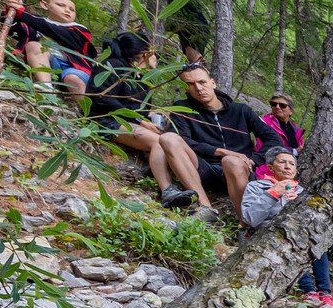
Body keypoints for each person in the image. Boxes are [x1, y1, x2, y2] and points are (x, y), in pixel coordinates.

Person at [86, 32, 212, 213]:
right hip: (105, 120)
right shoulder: (113, 66)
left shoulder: (142, 78)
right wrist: (140, 121)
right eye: (154, 53)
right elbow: (103, 99)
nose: (156, 58)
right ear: (146, 54)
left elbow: (136, 106)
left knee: (166, 139)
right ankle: (167, 190)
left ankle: (188, 191)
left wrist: (154, 114)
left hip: (127, 121)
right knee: (158, 141)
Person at [171, 63, 271, 221]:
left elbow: (273, 138)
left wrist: (254, 160)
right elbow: (183, 140)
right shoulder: (182, 109)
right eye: (191, 84)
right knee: (168, 138)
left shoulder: (240, 110)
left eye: (202, 82)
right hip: (205, 168)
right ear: (186, 89)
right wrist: (220, 151)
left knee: (231, 161)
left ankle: (246, 225)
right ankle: (205, 207)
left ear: (212, 82)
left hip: (239, 170)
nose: (198, 88)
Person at [240, 147, 331, 305]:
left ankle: (325, 292)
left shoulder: (305, 193)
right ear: (270, 167)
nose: (287, 166)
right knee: (291, 239)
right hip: (268, 235)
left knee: (318, 240)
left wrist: (300, 205)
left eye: (291, 164)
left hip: (302, 234)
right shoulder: (256, 187)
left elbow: (319, 222)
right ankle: (307, 290)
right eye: (282, 162)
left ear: (296, 170)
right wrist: (273, 193)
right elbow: (250, 219)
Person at [4, 0, 97, 101]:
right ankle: (46, 88)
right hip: (49, 62)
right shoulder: (36, 22)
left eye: (72, 9)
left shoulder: (80, 29)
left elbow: (52, 29)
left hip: (75, 67)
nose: (67, 11)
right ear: (44, 4)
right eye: (60, 5)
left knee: (72, 78)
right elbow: (12, 29)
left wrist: (22, 12)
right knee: (33, 45)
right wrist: (11, 7)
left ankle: (87, 114)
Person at [254, 93, 303, 179]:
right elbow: (263, 147)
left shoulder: (294, 128)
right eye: (274, 104)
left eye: (282, 105)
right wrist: (294, 151)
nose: (277, 107)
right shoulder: (264, 123)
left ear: (290, 111)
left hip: (291, 168)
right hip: (270, 168)